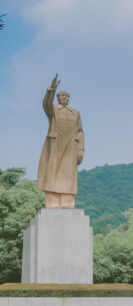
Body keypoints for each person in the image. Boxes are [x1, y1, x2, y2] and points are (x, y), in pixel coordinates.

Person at [37, 74, 84, 209]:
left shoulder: (75, 113)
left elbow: (80, 130)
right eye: (61, 95)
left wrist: (81, 148)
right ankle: (52, 201)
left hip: (71, 147)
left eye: (66, 96)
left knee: (68, 175)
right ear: (57, 97)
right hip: (55, 146)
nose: (64, 97)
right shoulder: (53, 110)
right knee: (52, 172)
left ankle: (67, 202)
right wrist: (52, 89)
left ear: (69, 98)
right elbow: (46, 104)